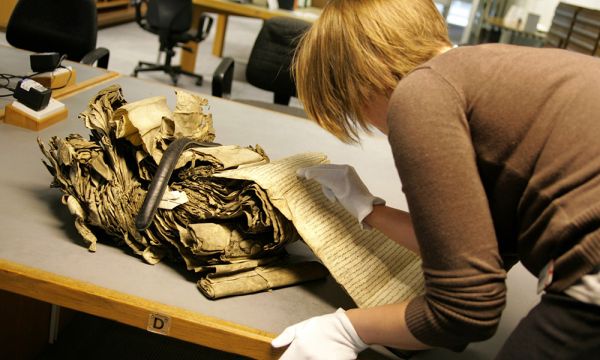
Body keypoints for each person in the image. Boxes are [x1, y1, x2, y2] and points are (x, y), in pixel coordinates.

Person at [270, 0, 600, 359]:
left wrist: (346, 328)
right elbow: (481, 253)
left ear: (365, 74)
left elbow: (466, 309)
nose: (371, 125)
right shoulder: (488, 73)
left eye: (351, 105)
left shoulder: (421, 93)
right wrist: (367, 209)